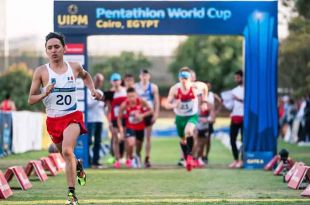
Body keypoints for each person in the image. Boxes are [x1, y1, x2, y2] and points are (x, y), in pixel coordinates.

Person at [28, 32, 102, 205]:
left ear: (64, 48)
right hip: (53, 120)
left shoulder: (74, 67)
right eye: (49, 48)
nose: (53, 50)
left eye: (56, 47)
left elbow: (86, 76)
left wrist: (92, 90)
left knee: (68, 151)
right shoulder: (41, 72)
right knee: (66, 155)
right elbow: (30, 99)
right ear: (46, 51)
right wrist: (44, 93)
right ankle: (79, 166)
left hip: (72, 116)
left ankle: (71, 195)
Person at [164, 67, 208, 171]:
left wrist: (204, 102)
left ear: (190, 79)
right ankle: (186, 158)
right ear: (179, 79)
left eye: (186, 79)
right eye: (182, 79)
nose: (184, 82)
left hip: (192, 115)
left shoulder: (196, 86)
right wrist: (174, 105)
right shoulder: (175, 89)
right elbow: (166, 104)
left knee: (189, 131)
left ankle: (189, 157)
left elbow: (205, 87)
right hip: (180, 117)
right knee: (183, 140)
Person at [117, 87, 153, 168]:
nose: (131, 98)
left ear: (136, 95)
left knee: (139, 146)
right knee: (131, 143)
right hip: (130, 126)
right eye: (129, 97)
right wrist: (121, 130)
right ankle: (131, 158)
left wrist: (142, 115)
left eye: (133, 96)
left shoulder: (141, 101)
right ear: (127, 96)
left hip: (140, 127)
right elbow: (119, 118)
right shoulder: (124, 104)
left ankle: (137, 156)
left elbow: (151, 111)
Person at [134, 69, 160, 168]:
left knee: (148, 137)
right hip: (139, 115)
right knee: (139, 139)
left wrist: (156, 114)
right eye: (142, 75)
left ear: (149, 76)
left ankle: (147, 158)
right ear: (140, 76)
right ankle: (138, 155)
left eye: (146, 75)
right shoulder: (136, 86)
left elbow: (157, 102)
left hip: (149, 113)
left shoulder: (153, 87)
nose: (144, 77)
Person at [107, 73, 127, 168]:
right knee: (115, 139)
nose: (115, 82)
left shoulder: (125, 91)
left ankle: (127, 159)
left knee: (126, 138)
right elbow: (109, 109)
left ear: (120, 81)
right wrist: (109, 121)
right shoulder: (110, 93)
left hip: (125, 118)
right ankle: (117, 159)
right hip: (114, 119)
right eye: (114, 80)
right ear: (111, 82)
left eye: (117, 80)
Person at [87, 73, 105, 168]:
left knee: (98, 141)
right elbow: (88, 105)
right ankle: (87, 160)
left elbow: (103, 107)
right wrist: (97, 99)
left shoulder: (101, 92)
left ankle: (95, 161)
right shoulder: (88, 91)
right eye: (97, 80)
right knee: (89, 141)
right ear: (93, 80)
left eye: (101, 81)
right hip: (90, 120)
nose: (99, 82)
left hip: (99, 119)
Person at [203, 81, 222, 164]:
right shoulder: (200, 95)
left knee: (208, 139)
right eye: (206, 86)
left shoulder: (212, 95)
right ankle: (199, 156)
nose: (207, 88)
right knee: (200, 139)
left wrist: (215, 112)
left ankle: (206, 156)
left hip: (209, 119)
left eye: (209, 86)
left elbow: (221, 101)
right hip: (201, 119)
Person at [228, 70, 244, 169]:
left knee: (243, 140)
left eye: (238, 77)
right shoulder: (233, 90)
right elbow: (231, 105)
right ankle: (236, 160)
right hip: (234, 117)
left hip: (244, 118)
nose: (236, 79)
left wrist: (238, 99)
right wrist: (225, 102)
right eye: (235, 78)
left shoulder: (248, 90)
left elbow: (249, 103)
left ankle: (242, 160)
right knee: (232, 139)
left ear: (242, 78)